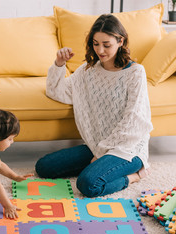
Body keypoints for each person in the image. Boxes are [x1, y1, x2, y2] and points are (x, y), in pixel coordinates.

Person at [35, 14, 153, 197]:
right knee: (43, 167)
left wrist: (101, 153)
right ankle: (99, 165)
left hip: (127, 149)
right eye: (96, 43)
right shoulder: (88, 71)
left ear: (120, 41)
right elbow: (57, 92)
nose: (100, 50)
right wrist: (59, 64)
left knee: (88, 184)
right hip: (95, 144)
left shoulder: (135, 73)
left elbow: (133, 120)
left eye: (107, 45)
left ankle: (135, 176)